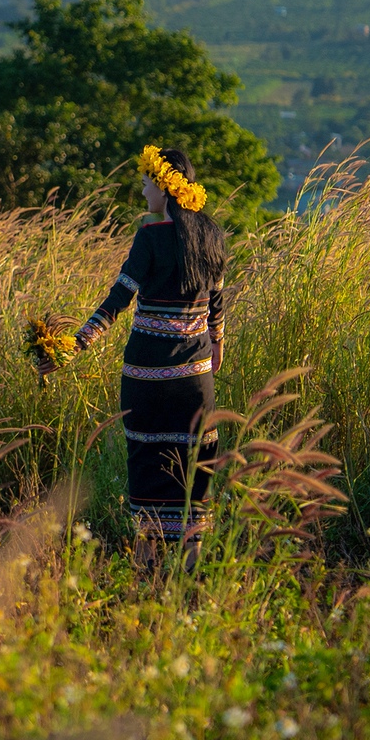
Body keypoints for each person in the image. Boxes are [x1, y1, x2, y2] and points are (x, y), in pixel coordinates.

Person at [50, 145, 229, 558]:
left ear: (165, 188)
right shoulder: (213, 237)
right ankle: (191, 567)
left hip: (146, 377)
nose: (143, 191)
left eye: (147, 183)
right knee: (193, 466)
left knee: (148, 465)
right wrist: (216, 344)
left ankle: (147, 569)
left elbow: (117, 300)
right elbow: (217, 305)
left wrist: (74, 345)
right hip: (195, 379)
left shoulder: (149, 237)